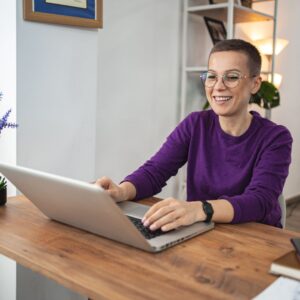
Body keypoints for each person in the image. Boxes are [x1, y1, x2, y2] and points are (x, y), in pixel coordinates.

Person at [96, 39, 292, 230]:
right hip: (203, 231)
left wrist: (200, 209)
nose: (218, 86)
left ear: (255, 84)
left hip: (256, 238)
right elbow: (155, 171)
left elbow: (260, 201)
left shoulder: (276, 138)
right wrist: (122, 191)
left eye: (232, 77)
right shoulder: (196, 124)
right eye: (212, 76)